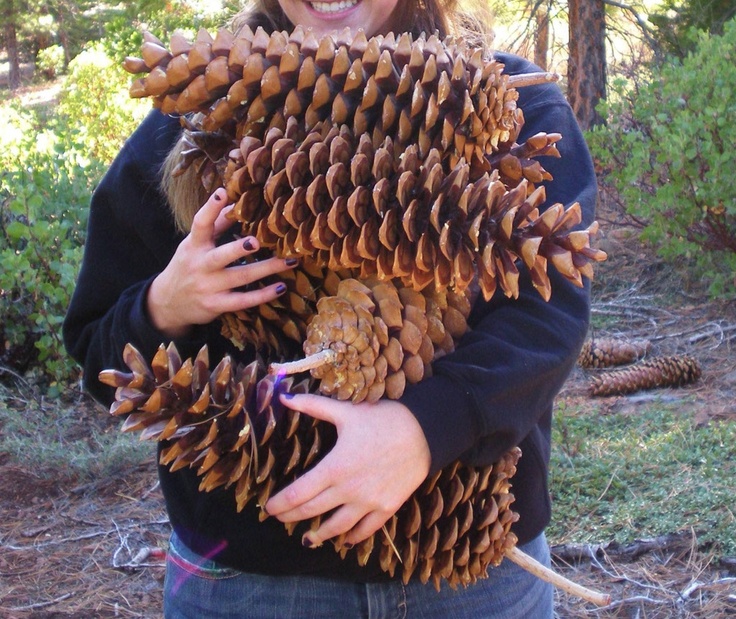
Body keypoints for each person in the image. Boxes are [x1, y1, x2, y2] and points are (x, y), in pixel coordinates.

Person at [63, 1, 596, 617]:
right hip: (252, 583)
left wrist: (425, 429)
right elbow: (102, 352)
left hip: (474, 573)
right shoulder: (195, 116)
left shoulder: (505, 105)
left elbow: (547, 317)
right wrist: (166, 303)